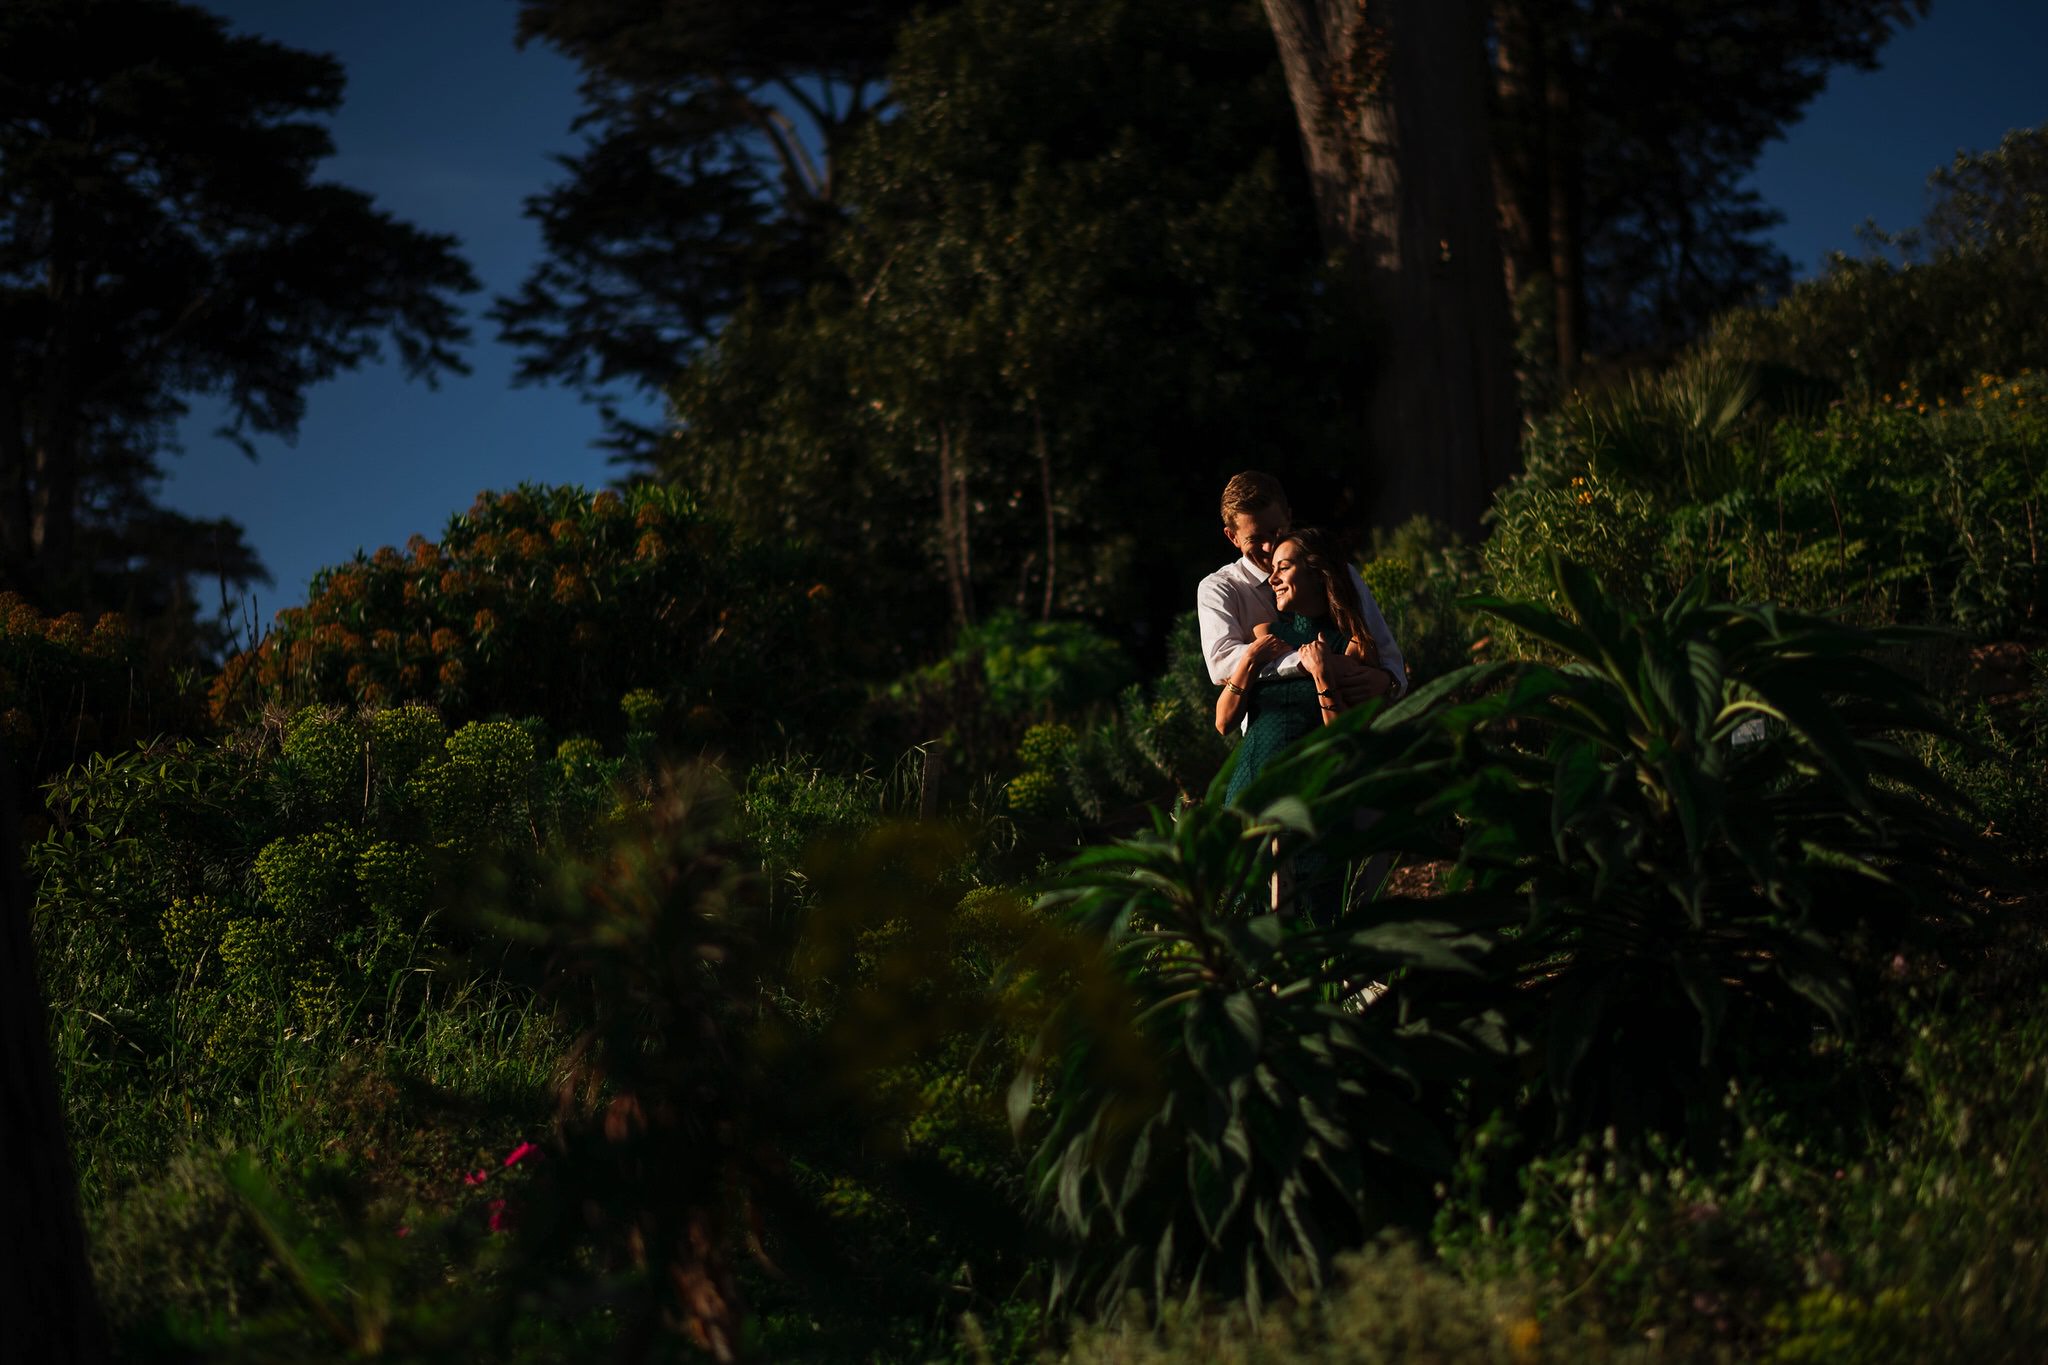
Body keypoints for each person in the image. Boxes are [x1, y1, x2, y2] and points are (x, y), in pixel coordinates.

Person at [1197, 471, 1405, 729]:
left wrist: (1386, 681)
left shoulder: (1337, 572)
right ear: (1233, 537)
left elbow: (1387, 656)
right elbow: (1222, 662)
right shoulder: (1221, 589)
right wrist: (1314, 662)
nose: (1269, 546)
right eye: (1255, 539)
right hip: (1271, 733)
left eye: (1276, 531)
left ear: (1289, 516)